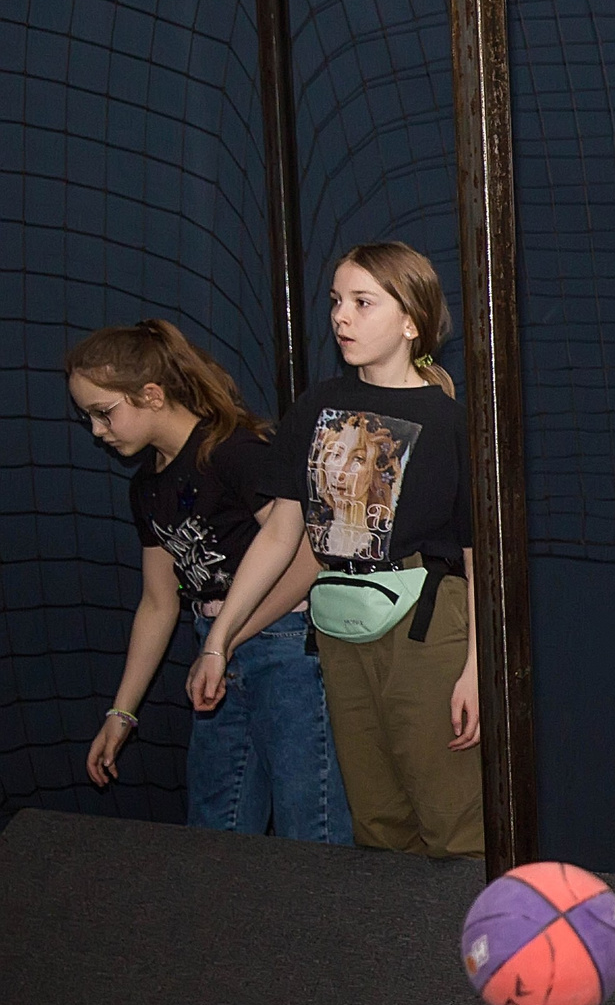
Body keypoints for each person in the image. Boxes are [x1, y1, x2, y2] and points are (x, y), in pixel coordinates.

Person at [224, 241, 484, 859]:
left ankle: (477, 949)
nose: (341, 317)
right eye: (337, 301)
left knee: (453, 823)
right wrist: (222, 637)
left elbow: (480, 556)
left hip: (427, 625)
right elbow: (285, 533)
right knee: (376, 822)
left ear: (410, 321)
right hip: (340, 626)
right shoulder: (316, 406)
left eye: (362, 302)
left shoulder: (453, 423)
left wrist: (478, 668)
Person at [68, 320, 348, 842]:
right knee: (214, 831)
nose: (97, 431)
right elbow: (158, 602)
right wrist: (121, 713)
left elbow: (309, 560)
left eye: (104, 414)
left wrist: (228, 639)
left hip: (285, 650)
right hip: (216, 656)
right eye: (88, 418)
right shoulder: (148, 486)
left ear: (151, 394)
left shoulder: (235, 452)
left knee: (313, 831)